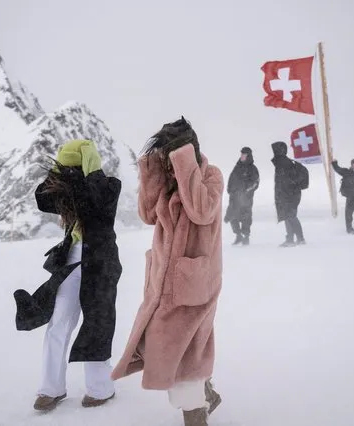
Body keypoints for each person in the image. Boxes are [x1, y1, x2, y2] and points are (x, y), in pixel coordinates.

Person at [111, 117, 223, 426]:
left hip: (195, 282)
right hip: (163, 280)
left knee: (185, 353)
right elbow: (148, 215)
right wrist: (152, 172)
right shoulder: (170, 179)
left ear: (187, 150)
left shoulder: (211, 176)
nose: (169, 158)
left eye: (173, 152)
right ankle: (205, 392)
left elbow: (201, 211)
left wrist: (186, 162)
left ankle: (196, 412)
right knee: (172, 347)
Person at [13, 139, 123, 411]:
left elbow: (97, 199)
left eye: (76, 166)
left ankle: (100, 388)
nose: (72, 172)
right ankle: (51, 388)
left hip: (102, 264)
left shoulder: (109, 185)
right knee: (59, 322)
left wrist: (91, 167)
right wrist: (59, 171)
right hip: (71, 260)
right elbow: (42, 198)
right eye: (68, 167)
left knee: (98, 323)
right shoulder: (68, 190)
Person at [271, 141, 309, 247]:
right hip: (288, 195)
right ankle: (291, 239)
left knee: (290, 216)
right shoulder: (282, 163)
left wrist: (286, 193)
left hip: (290, 195)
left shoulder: (285, 163)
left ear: (280, 150)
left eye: (275, 150)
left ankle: (300, 239)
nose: (274, 152)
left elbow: (289, 181)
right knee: (287, 217)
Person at [224, 147, 259, 246]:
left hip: (246, 198)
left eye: (244, 155)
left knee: (245, 217)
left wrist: (246, 191)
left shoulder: (253, 169)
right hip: (234, 197)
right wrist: (230, 189)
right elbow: (231, 179)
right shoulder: (237, 167)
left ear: (248, 156)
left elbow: (255, 183)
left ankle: (246, 237)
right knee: (232, 216)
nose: (242, 156)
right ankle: (238, 236)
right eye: (241, 154)